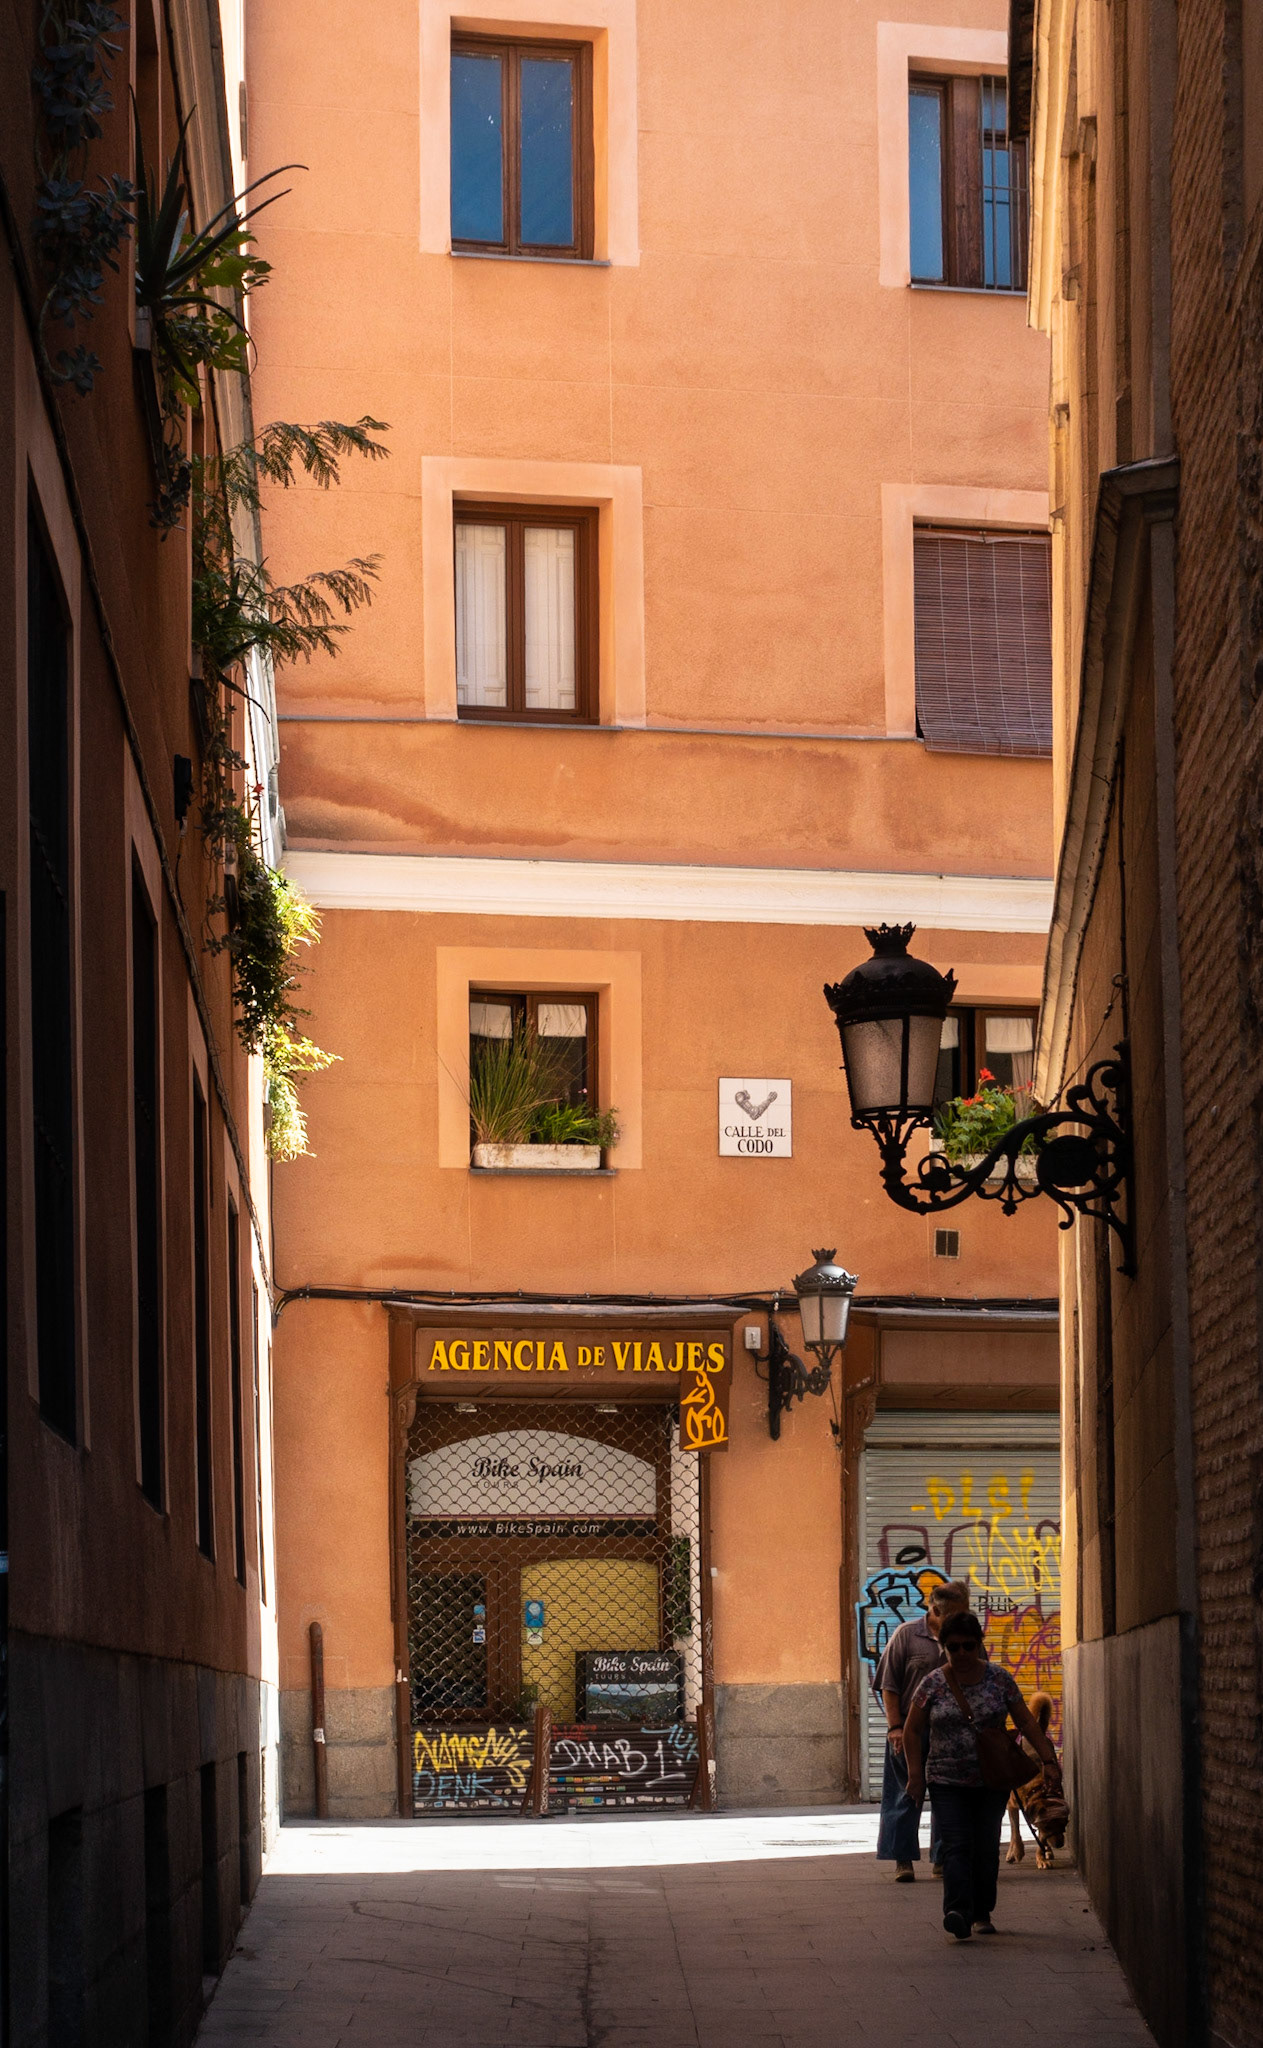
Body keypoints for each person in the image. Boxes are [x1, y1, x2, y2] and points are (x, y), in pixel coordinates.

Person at [903, 1609, 1061, 1941]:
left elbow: (1026, 1722)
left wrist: (1048, 1759)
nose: (961, 1653)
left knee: (986, 1846)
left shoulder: (999, 1679)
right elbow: (912, 1730)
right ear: (944, 1646)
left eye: (968, 1646)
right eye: (953, 1646)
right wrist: (915, 1775)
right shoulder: (932, 1683)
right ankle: (957, 1911)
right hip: (946, 1780)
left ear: (980, 1645)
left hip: (991, 1780)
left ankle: (982, 1911)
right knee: (957, 1845)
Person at [873, 1579, 970, 1880]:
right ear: (936, 1611)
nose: (962, 1619)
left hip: (951, 1732)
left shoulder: (965, 1637)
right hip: (909, 1729)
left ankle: (943, 1858)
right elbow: (888, 1686)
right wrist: (895, 1728)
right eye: (956, 1614)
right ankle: (903, 1859)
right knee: (905, 1793)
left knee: (948, 1795)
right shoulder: (906, 1635)